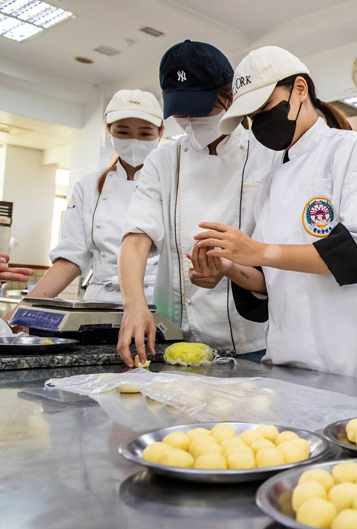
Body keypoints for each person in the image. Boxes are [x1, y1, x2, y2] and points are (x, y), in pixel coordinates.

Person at [191, 46, 357, 382]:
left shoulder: (353, 152)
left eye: (265, 109)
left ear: (300, 89)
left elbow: (356, 253)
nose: (259, 124)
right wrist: (231, 266)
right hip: (288, 366)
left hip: (356, 366)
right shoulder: (273, 176)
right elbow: (270, 280)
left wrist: (257, 251)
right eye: (252, 117)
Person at [116, 40, 281, 367]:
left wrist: (229, 269)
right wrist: (134, 305)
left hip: (254, 341)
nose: (190, 120)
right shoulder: (164, 160)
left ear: (229, 96)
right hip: (178, 338)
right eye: (180, 111)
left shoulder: (267, 157)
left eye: (200, 108)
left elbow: (274, 256)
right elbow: (136, 237)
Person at [4, 90, 163, 319]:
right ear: (108, 131)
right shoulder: (88, 187)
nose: (133, 142)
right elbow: (71, 258)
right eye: (123, 132)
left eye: (145, 133)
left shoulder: (173, 183)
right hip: (100, 305)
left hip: (156, 305)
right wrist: (22, 309)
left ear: (160, 133)